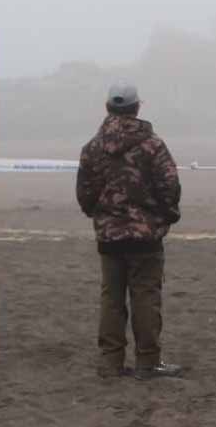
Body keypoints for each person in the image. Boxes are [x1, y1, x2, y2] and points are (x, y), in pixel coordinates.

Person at [76, 82, 183, 380]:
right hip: (145, 236)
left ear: (108, 107)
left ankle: (110, 363)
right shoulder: (153, 145)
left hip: (109, 236)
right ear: (137, 107)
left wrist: (100, 217)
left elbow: (84, 193)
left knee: (111, 298)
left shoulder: (92, 148)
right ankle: (148, 362)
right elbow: (169, 186)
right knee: (145, 297)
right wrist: (166, 218)